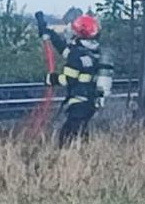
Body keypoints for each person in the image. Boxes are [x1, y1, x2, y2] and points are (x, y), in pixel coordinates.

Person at [45, 14, 108, 145]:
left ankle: (70, 156)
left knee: (67, 137)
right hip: (90, 102)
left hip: (78, 102)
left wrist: (51, 79)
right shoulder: (93, 52)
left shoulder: (76, 54)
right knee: (81, 132)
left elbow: (68, 80)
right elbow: (64, 50)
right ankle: (84, 154)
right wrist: (51, 35)